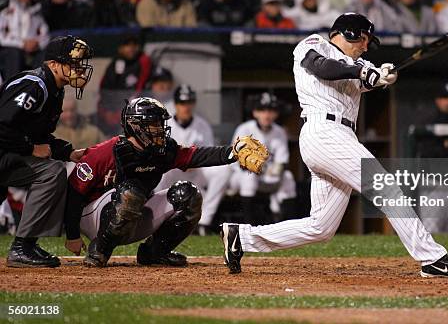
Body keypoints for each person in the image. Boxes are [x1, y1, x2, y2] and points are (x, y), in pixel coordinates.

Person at [220, 12, 448, 278]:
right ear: (348, 33)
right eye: (364, 39)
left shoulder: (358, 64)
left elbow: (367, 78)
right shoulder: (313, 44)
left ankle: (242, 237)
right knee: (386, 187)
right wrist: (363, 70)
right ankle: (432, 258)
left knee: (321, 227)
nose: (365, 46)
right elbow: (323, 68)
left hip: (339, 137)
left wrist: (382, 75)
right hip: (324, 131)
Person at [64, 97, 266, 267]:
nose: (160, 129)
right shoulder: (104, 152)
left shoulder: (163, 151)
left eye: (161, 123)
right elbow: (73, 193)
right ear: (136, 126)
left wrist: (233, 152)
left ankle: (154, 252)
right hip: (93, 218)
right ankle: (99, 249)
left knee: (189, 195)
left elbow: (196, 156)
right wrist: (72, 235)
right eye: (154, 124)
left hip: (133, 209)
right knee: (131, 193)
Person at [0, 35, 93, 267]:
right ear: (53, 64)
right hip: (4, 153)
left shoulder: (54, 88)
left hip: (6, 154)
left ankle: (26, 246)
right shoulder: (35, 85)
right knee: (51, 172)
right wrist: (30, 148)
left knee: (53, 168)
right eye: (73, 63)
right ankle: (23, 247)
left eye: (80, 64)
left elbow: (37, 135)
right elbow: (2, 126)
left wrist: (68, 152)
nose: (79, 69)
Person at [156, 85, 233, 235]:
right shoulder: (165, 124)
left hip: (197, 170)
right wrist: (180, 161)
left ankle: (204, 221)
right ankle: (157, 216)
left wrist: (194, 161)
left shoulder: (202, 125)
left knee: (223, 170)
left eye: (189, 102)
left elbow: (210, 154)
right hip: (174, 170)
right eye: (182, 103)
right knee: (158, 170)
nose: (186, 107)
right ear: (176, 104)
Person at [229, 92, 297, 225]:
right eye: (262, 110)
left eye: (271, 111)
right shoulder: (244, 129)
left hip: (267, 175)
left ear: (276, 114)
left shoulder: (279, 131)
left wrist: (277, 168)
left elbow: (282, 161)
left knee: (288, 177)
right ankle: (248, 224)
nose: (267, 115)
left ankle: (286, 223)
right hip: (240, 176)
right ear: (255, 113)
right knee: (249, 177)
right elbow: (237, 160)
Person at [98, 35, 153, 135]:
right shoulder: (115, 63)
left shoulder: (143, 61)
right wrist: (107, 111)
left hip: (132, 111)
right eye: (127, 45)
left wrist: (126, 110)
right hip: (112, 111)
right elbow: (104, 88)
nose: (131, 48)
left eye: (134, 45)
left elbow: (140, 89)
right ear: (120, 48)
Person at [0, 0, 49, 79]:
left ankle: (38, 86)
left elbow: (45, 34)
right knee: (14, 53)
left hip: (34, 49)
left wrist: (37, 44)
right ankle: (12, 88)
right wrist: (22, 44)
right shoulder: (5, 9)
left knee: (46, 53)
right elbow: (2, 36)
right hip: (11, 49)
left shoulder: (36, 10)